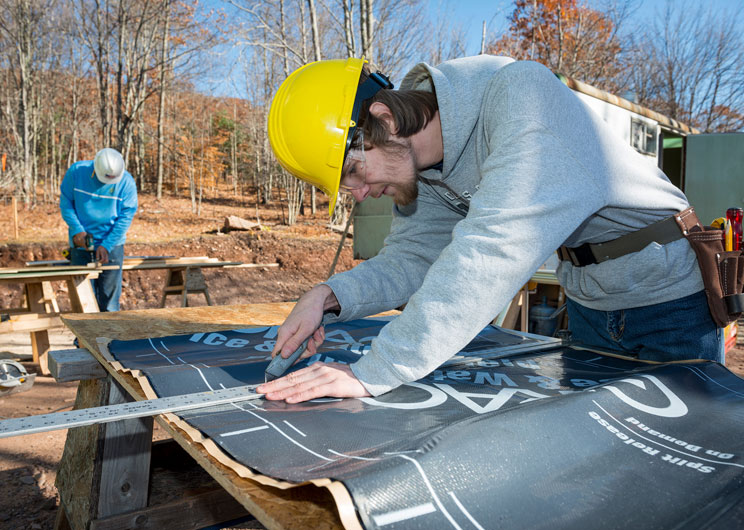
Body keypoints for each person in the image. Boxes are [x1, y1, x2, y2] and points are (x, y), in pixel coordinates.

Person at [257, 56, 724, 404]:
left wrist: (373, 372)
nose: (359, 194)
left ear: (385, 120)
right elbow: (412, 259)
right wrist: (328, 295)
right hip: (590, 300)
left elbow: (489, 255)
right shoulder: (423, 170)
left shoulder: (522, 97)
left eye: (354, 172)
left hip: (670, 297)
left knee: (690, 462)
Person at [60, 148, 138, 312]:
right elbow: (66, 202)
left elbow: (125, 218)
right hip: (81, 244)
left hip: (112, 244)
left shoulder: (127, 183)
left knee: (109, 302)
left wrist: (107, 245)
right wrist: (77, 230)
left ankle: (111, 337)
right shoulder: (76, 172)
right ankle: (82, 338)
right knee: (83, 302)